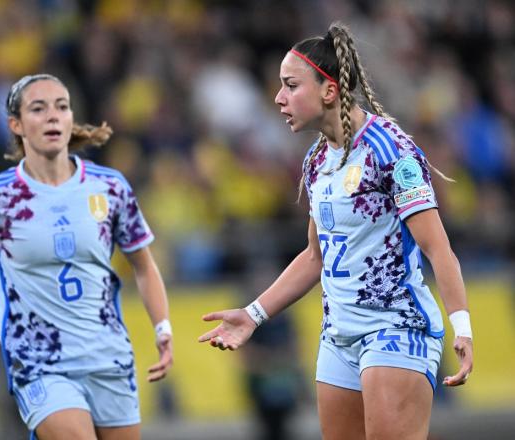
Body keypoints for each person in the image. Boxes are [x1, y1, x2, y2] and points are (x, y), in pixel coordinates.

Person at [199, 23, 473, 440]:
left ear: (328, 91)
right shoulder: (315, 162)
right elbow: (315, 255)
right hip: (338, 338)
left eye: (291, 85)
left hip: (395, 328)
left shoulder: (390, 150)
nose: (278, 97)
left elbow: (438, 249)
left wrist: (463, 327)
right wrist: (254, 315)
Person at [0, 73, 173, 440]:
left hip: (108, 356)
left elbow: (144, 266)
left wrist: (162, 328)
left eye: (62, 107)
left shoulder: (110, 188)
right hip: (40, 362)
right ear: (16, 124)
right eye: (38, 109)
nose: (53, 116)